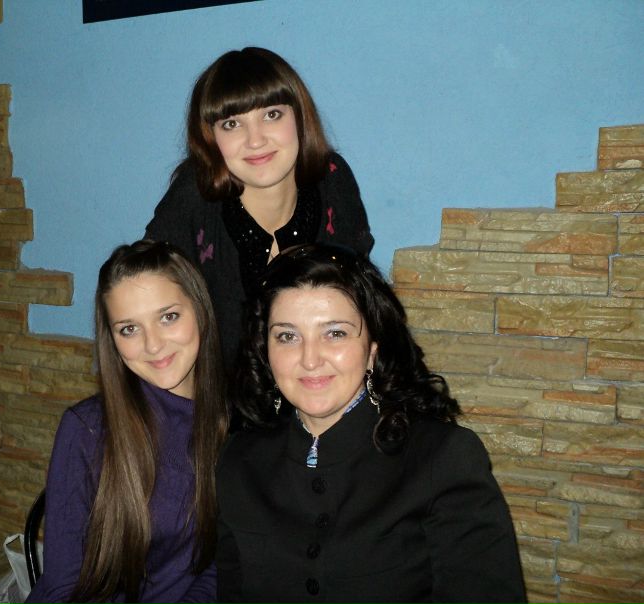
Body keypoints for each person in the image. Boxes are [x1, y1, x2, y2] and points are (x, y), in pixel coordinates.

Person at [216, 243, 527, 603]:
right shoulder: (238, 460)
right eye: (288, 336)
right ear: (265, 351)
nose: (310, 359)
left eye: (335, 333)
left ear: (372, 351)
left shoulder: (442, 458)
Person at [26, 240, 228, 604]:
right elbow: (62, 587)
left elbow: (221, 561)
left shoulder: (231, 422)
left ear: (199, 310)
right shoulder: (87, 430)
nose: (153, 345)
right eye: (129, 329)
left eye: (168, 317)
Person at [145, 47, 374, 366]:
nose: (255, 140)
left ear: (299, 116)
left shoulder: (332, 178)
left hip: (320, 381)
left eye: (272, 115)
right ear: (209, 137)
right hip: (222, 393)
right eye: (231, 124)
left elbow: (363, 302)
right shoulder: (193, 195)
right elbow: (142, 293)